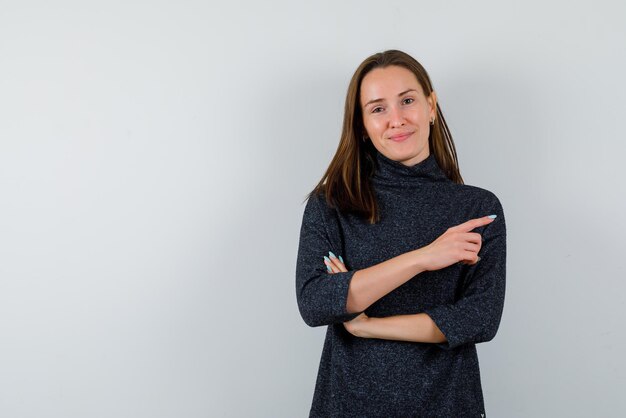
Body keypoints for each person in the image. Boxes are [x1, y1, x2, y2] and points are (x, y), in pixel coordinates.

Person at [295, 49, 507, 417]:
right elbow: (315, 302)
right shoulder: (333, 202)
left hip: (448, 404)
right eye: (378, 108)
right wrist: (424, 257)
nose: (396, 119)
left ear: (430, 105)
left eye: (407, 101)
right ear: (362, 124)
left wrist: (368, 326)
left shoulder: (476, 210)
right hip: (349, 403)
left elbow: (479, 319)